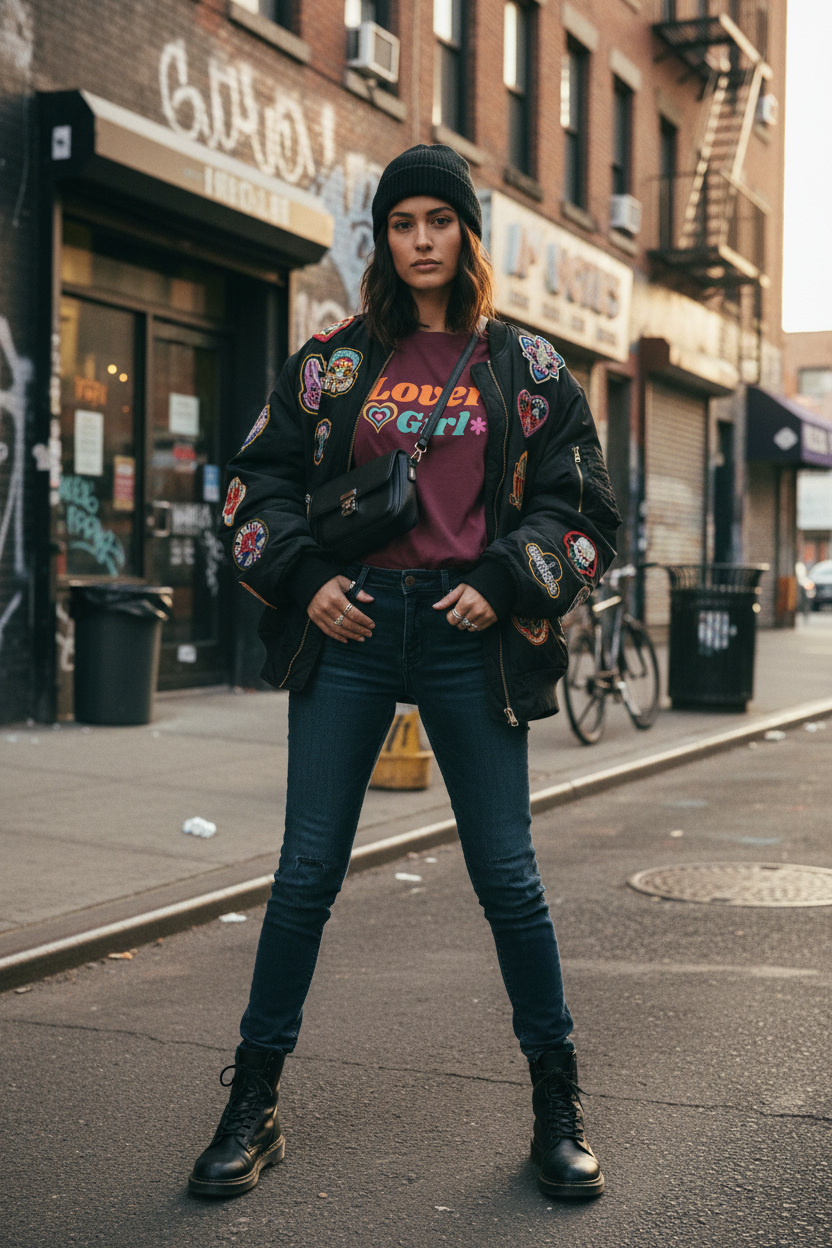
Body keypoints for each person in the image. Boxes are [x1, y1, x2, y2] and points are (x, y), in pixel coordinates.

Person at [189, 145, 620, 1203]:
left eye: (438, 219)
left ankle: (555, 1103)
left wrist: (514, 577)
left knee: (509, 881)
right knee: (304, 877)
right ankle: (254, 1101)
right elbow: (254, 486)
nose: (420, 239)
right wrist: (303, 578)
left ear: (467, 233)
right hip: (351, 629)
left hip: (471, 629)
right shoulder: (331, 362)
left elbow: (585, 507)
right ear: (381, 240)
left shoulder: (529, 368)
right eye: (400, 222)